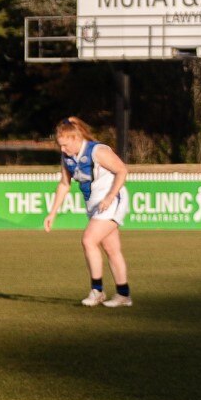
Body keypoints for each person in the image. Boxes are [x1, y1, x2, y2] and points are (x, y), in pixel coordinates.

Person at [45, 117, 131, 307]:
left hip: (112, 200)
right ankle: (123, 294)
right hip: (94, 205)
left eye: (65, 145)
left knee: (88, 240)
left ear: (76, 138)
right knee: (111, 249)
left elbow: (122, 170)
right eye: (60, 146)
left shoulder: (97, 151)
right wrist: (52, 213)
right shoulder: (67, 158)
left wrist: (110, 196)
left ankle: (97, 291)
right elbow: (64, 184)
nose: (62, 149)